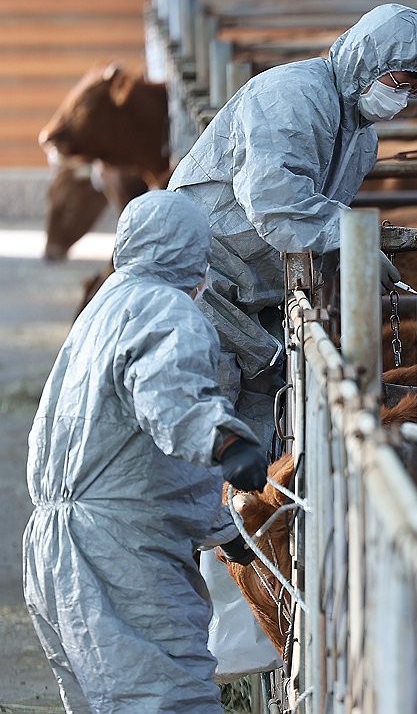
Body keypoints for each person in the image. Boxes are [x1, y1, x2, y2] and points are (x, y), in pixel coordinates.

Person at [23, 191, 270, 713]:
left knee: (101, 702)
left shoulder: (104, 308)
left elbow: (126, 459)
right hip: (120, 558)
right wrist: (225, 440)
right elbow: (170, 395)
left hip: (54, 545)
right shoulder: (166, 310)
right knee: (167, 700)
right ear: (195, 254)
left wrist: (226, 532)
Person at [168, 3, 417, 447]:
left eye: (414, 90)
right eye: (399, 82)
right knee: (204, 427)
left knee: (263, 431)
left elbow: (315, 217)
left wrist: (343, 257)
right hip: (205, 280)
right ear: (367, 59)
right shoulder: (292, 94)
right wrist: (352, 240)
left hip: (263, 293)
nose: (403, 99)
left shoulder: (361, 138)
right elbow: (275, 202)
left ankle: (250, 511)